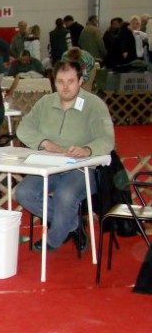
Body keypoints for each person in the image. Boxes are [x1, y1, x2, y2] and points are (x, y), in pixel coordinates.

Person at [15, 60, 114, 253]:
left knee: (65, 195)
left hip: (82, 168)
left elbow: (107, 139)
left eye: (70, 81)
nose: (65, 86)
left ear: (80, 81)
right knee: (23, 193)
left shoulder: (94, 105)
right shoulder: (45, 102)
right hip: (48, 165)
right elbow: (23, 128)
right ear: (54, 82)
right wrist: (45, 143)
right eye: (60, 81)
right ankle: (73, 224)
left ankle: (53, 239)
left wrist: (87, 149)